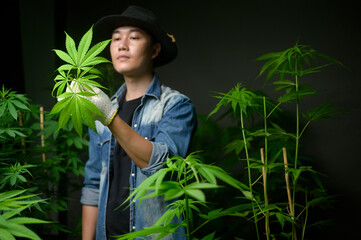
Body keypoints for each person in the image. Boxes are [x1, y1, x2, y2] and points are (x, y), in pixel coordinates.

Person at [79, 5, 197, 240]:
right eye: (115, 39)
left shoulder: (175, 106)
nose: (122, 45)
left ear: (154, 50)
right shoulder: (100, 107)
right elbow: (93, 184)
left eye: (134, 37)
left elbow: (162, 165)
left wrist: (109, 116)